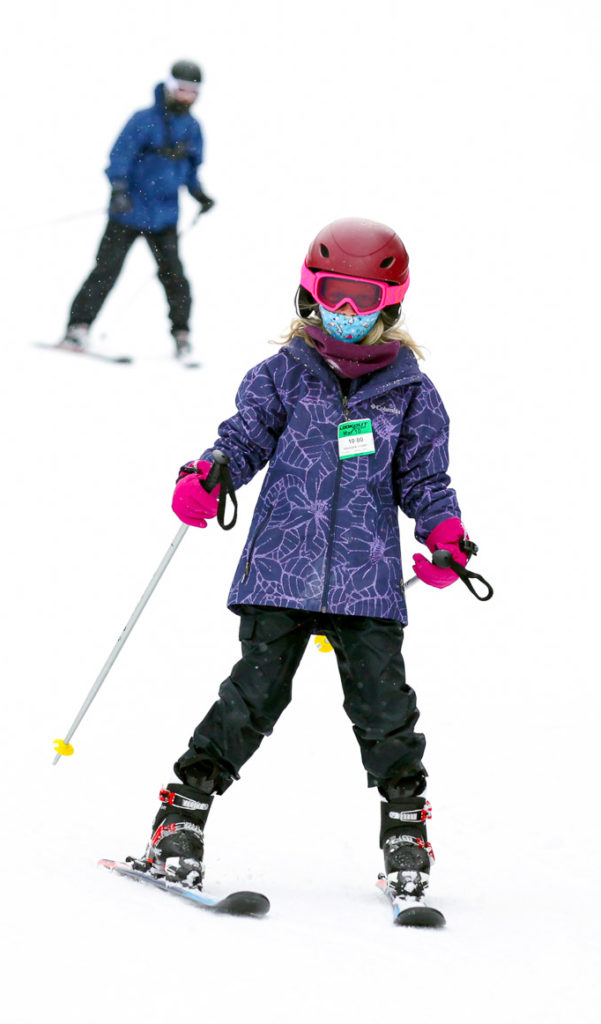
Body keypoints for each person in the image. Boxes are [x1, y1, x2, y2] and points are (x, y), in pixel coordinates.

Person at [131, 217, 477, 904]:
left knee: (384, 709)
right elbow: (243, 437)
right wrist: (211, 473)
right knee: (253, 696)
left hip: (366, 579)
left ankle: (405, 828)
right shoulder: (282, 375)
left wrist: (445, 533)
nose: (346, 314)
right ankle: (182, 814)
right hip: (280, 569)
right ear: (307, 296)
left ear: (391, 303)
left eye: (362, 298)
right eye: (333, 296)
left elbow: (424, 480)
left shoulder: (411, 394)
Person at [63, 60, 215, 363]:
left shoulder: (193, 128)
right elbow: (119, 157)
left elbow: (190, 168)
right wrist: (118, 189)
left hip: (165, 218)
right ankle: (77, 329)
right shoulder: (143, 119)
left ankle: (182, 337)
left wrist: (198, 193)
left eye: (192, 91)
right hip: (128, 212)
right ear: (169, 86)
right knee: (106, 270)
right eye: (180, 89)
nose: (186, 96)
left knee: (175, 278)